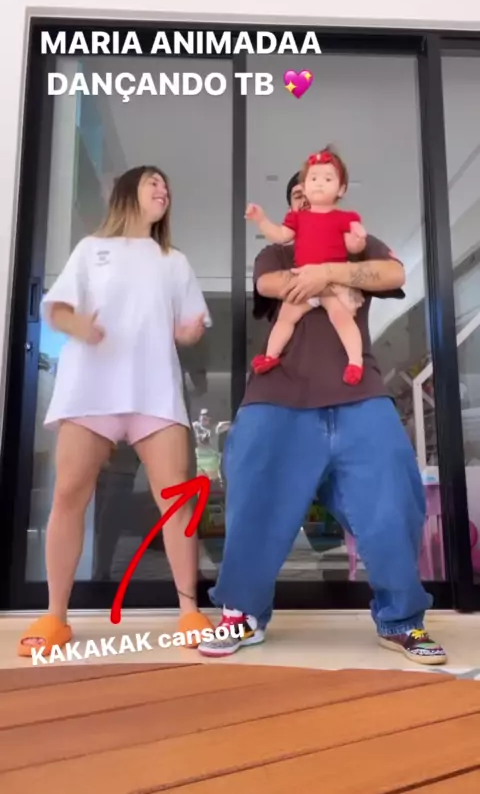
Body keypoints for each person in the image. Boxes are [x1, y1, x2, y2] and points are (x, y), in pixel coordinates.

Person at [198, 170, 447, 666]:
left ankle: (401, 621)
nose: (307, 198)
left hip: (359, 393)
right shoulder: (278, 251)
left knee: (394, 499)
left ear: (336, 194)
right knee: (252, 501)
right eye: (297, 195)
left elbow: (393, 274)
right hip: (276, 396)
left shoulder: (356, 239)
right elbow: (268, 283)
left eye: (315, 189)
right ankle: (242, 614)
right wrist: (327, 278)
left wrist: (330, 270)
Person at [19, 165, 214, 656]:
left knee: (176, 500)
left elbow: (189, 325)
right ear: (129, 192)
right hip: (91, 390)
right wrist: (78, 326)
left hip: (154, 391)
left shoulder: (174, 261)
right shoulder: (91, 250)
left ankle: (189, 611)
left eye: (166, 186)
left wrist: (189, 332)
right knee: (69, 494)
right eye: (153, 182)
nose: (163, 190)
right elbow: (56, 308)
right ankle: (55, 616)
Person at [247, 147, 366, 384]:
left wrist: (358, 238)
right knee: (284, 319)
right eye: (313, 179)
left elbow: (353, 247)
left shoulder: (345, 218)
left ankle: (355, 362)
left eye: (327, 179)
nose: (319, 184)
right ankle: (270, 356)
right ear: (305, 186)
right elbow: (280, 235)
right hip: (303, 283)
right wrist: (261, 220)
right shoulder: (297, 218)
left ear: (341, 189)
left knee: (342, 318)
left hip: (332, 283)